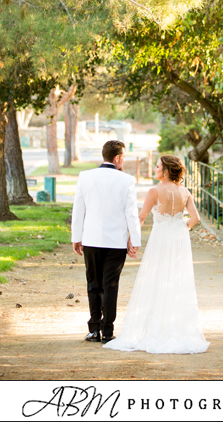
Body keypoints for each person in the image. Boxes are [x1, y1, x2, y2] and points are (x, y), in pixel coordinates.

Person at [103, 154, 209, 354]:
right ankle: (176, 327)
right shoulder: (185, 192)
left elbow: (141, 216)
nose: (154, 169)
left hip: (160, 238)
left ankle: (153, 327)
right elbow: (195, 218)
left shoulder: (154, 191)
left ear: (166, 171)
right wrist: (180, 227)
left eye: (158, 166)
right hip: (179, 238)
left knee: (156, 278)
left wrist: (132, 240)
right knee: (177, 278)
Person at [71, 140, 141, 342]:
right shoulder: (127, 180)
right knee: (110, 285)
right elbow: (131, 213)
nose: (123, 161)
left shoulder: (85, 176)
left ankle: (94, 329)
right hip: (116, 242)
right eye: (123, 157)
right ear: (117, 158)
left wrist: (76, 237)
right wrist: (134, 240)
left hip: (91, 239)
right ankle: (108, 332)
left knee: (93, 283)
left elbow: (78, 210)